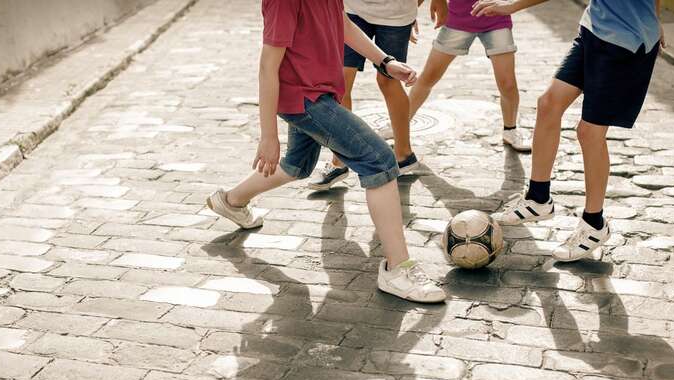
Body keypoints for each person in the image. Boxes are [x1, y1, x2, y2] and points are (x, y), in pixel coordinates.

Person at [207, 0, 446, 303]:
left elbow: (343, 24)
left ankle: (231, 201)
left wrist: (385, 61)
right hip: (305, 99)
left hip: (319, 92)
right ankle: (397, 268)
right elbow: (268, 66)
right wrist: (268, 135)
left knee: (297, 164)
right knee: (379, 160)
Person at [482, 0, 665, 261]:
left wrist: (511, 6)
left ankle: (594, 224)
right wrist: (655, 19)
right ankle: (538, 198)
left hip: (625, 44)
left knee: (590, 132)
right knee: (548, 105)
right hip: (594, 30)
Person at [307, 0, 449, 191]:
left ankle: (404, 155)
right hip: (352, 9)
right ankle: (339, 161)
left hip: (396, 15)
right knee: (339, 81)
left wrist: (422, 6)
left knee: (388, 81)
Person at [408, 0, 531, 152]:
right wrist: (410, 16)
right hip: (457, 20)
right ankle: (399, 126)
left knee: (508, 84)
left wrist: (511, 4)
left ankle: (510, 130)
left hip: (497, 20)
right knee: (429, 77)